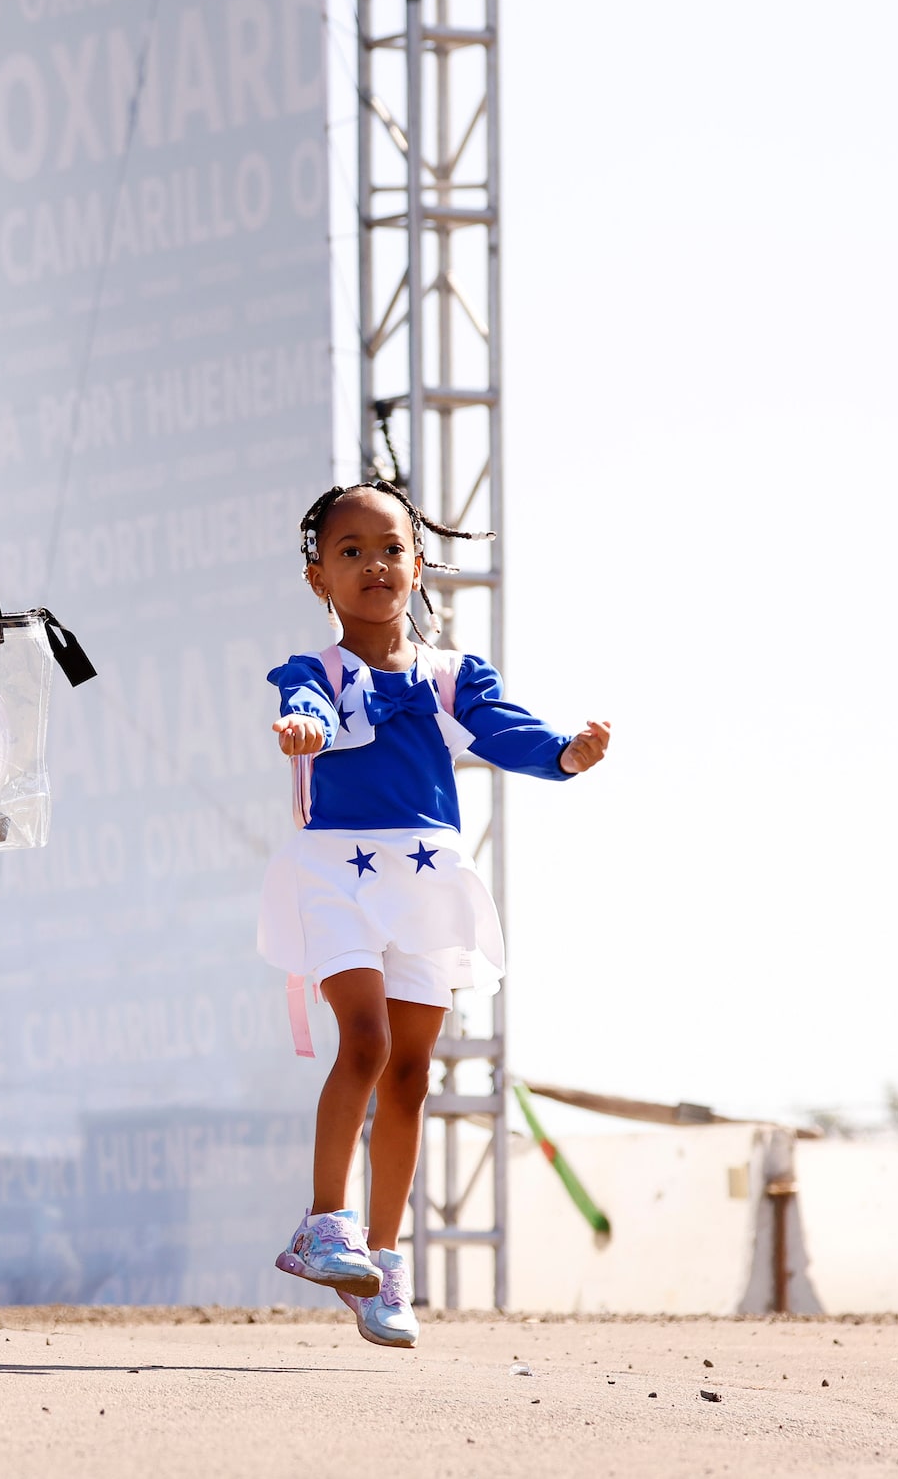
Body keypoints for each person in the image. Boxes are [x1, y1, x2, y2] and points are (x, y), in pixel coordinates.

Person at [262, 482, 614, 1347]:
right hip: (337, 874)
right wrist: (302, 726)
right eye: (350, 552)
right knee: (368, 1042)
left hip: (424, 881)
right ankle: (323, 1225)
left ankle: (384, 1264)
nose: (374, 565)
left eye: (390, 549)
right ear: (320, 579)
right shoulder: (316, 672)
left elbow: (507, 731)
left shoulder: (453, 675)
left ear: (418, 566)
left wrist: (565, 753)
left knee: (413, 1073)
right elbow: (304, 707)